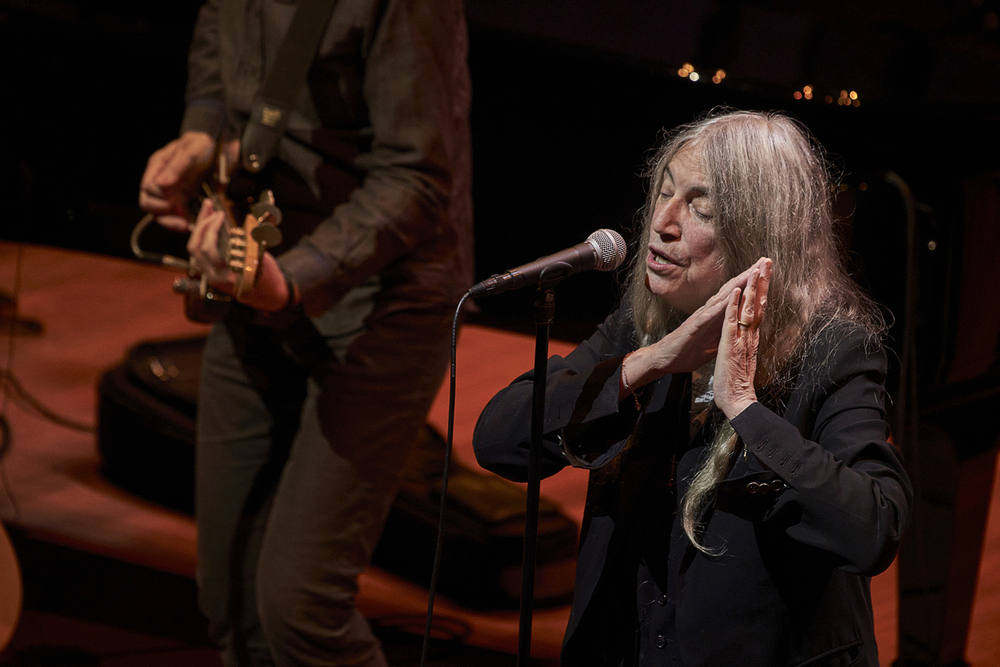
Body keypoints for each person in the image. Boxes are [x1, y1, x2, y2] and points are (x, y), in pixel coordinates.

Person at [473, 110, 912, 666]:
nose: (664, 222)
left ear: (760, 231)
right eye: (664, 193)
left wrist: (745, 410)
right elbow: (497, 440)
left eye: (701, 208)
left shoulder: (833, 350)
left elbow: (875, 527)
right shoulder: (639, 327)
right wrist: (651, 362)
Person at [137, 1, 473, 666]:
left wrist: (290, 281)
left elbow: (417, 175)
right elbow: (216, 55)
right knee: (229, 598)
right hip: (260, 272)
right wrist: (201, 133)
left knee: (300, 608)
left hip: (383, 300)